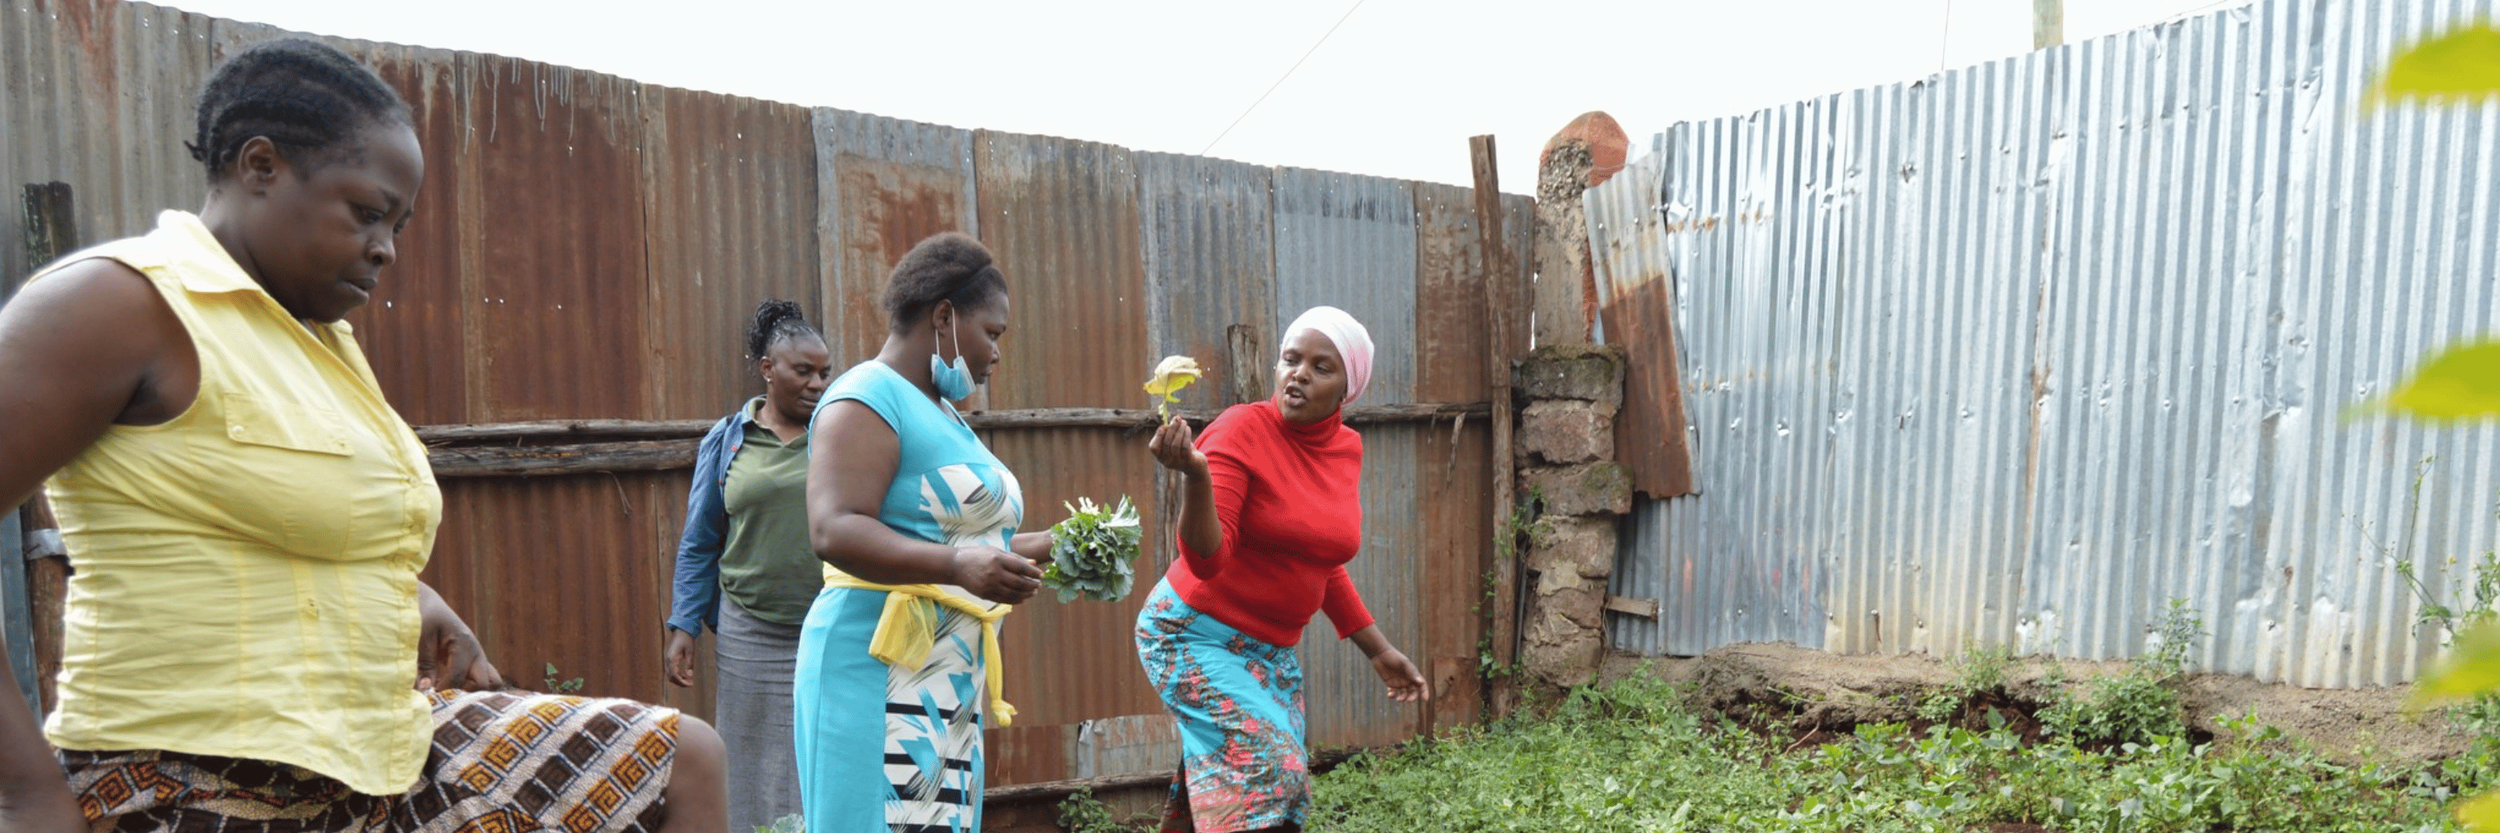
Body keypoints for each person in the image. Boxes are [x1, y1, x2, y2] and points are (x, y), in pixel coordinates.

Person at [0, 38, 725, 832]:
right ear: (261, 165)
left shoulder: (317, 341)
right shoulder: (116, 303)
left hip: (370, 754)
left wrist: (408, 593)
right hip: (183, 773)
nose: (387, 247)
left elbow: (258, 509)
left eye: (400, 224)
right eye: (368, 212)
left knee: (678, 759)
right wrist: (24, 792)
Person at [797, 232, 1056, 833]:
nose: (996, 353)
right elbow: (834, 529)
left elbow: (950, 539)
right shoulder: (866, 398)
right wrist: (955, 568)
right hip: (873, 670)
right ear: (943, 316)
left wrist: (1051, 546)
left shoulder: (939, 410)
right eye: (991, 333)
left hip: (944, 680)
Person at [1138, 305, 1431, 833]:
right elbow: (1205, 561)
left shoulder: (1345, 449)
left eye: (1322, 367)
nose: (1299, 373)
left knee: (1265, 792)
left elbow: (1318, 560)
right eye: (1290, 359)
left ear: (1347, 389)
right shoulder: (1241, 429)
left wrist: (1379, 650)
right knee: (1274, 772)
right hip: (1190, 635)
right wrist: (1196, 476)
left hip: (1268, 652)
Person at [665, 298, 832, 833]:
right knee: (746, 759)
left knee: (823, 755)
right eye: (803, 371)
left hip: (829, 628)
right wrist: (684, 624)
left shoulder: (836, 436)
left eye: (825, 372)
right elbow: (700, 541)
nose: (817, 383)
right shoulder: (729, 440)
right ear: (768, 370)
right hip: (748, 631)